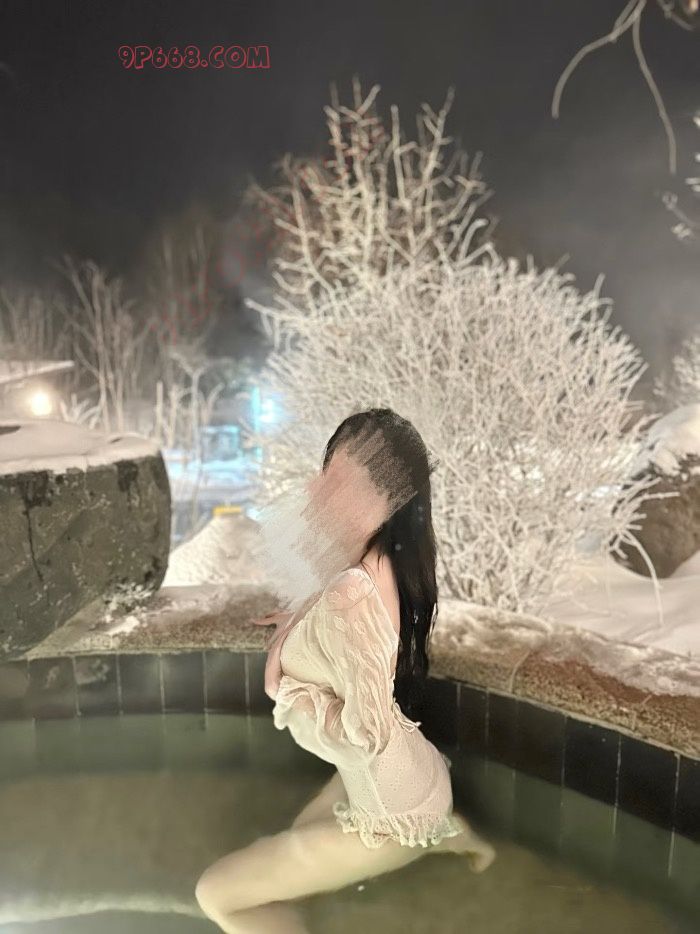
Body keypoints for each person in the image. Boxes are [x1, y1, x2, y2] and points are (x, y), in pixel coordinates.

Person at [195, 408, 495, 933]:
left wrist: (300, 696)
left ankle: (431, 836)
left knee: (217, 896)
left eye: (342, 482)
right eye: (326, 472)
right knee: (288, 854)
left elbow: (366, 731)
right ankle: (446, 833)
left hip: (389, 816)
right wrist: (300, 626)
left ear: (385, 501)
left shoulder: (351, 596)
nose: (318, 491)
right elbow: (349, 618)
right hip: (407, 775)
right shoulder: (376, 560)